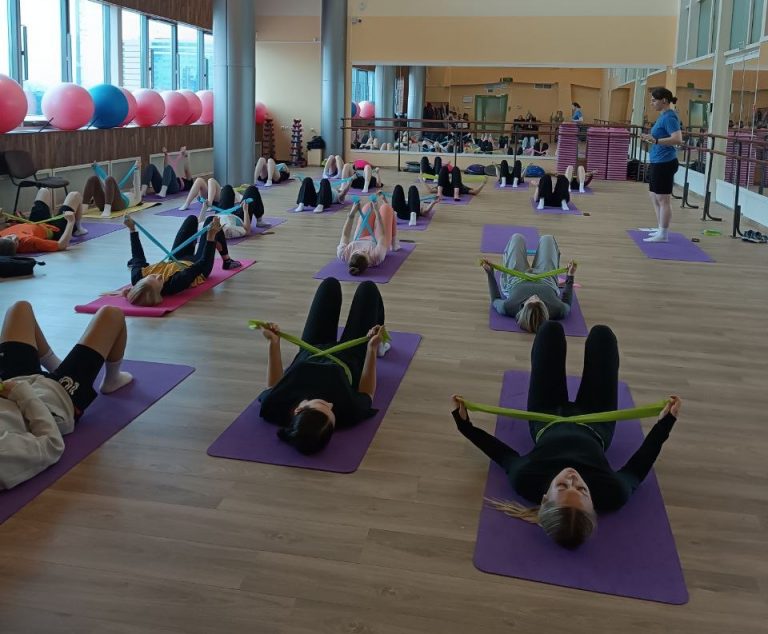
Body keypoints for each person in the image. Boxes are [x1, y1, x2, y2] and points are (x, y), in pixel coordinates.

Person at [451, 320, 681, 549]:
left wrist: (465, 425)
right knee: (602, 335)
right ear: (593, 504)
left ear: (545, 498)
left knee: (550, 330)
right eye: (582, 490)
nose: (572, 478)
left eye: (561, 487)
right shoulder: (612, 493)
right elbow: (637, 468)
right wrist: (666, 422)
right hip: (596, 421)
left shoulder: (526, 480)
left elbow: (502, 455)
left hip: (546, 417)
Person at [0, 300, 133, 490]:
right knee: (112, 314)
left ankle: (57, 367)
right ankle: (112, 380)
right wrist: (21, 393)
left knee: (20, 308)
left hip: (12, 384)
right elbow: (51, 445)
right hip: (54, 398)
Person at [257, 277, 388, 454]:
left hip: (312, 348)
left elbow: (273, 386)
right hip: (351, 355)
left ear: (298, 409)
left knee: (329, 285)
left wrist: (273, 342)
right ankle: (381, 345)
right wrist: (371, 349)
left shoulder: (274, 407)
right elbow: (367, 392)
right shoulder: (351, 412)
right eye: (333, 414)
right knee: (368, 289)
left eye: (323, 405)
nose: (331, 404)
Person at [120, 215, 241, 306]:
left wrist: (132, 229)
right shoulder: (174, 284)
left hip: (175, 260)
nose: (159, 276)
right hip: (198, 265)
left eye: (152, 277)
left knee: (191, 219)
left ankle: (205, 241)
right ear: (160, 292)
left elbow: (137, 256)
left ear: (142, 280)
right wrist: (211, 237)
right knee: (211, 222)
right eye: (160, 281)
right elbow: (202, 263)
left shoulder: (137, 276)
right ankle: (227, 261)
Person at [481, 234, 577, 333]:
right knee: (547, 239)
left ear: (523, 308)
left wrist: (489, 272)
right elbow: (567, 302)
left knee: (517, 238)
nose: (534, 295)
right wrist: (570, 275)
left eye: (530, 299)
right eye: (539, 300)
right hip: (546, 280)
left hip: (515, 279)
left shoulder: (508, 307)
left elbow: (495, 299)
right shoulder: (558, 310)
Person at [639, 88, 683, 242]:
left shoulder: (670, 117)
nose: (651, 103)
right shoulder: (662, 116)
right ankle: (660, 228)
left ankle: (663, 234)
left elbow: (677, 139)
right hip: (657, 161)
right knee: (654, 196)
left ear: (664, 100)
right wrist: (650, 137)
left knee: (663, 199)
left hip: (665, 162)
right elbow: (659, 136)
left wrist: (656, 141)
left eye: (654, 100)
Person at [0, 188, 85, 254]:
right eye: (16, 242)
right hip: (54, 230)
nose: (15, 237)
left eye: (9, 237)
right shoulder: (28, 241)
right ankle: (78, 228)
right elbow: (61, 245)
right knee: (75, 195)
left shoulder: (1, 236)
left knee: (43, 191)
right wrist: (71, 221)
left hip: (34, 222)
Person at [336, 193, 400, 275]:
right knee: (386, 208)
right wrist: (377, 212)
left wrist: (352, 214)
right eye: (364, 252)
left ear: (350, 257)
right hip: (378, 241)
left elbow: (345, 235)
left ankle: (377, 209)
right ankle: (394, 241)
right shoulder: (377, 256)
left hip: (361, 237)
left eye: (358, 251)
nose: (363, 249)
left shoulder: (343, 254)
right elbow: (382, 235)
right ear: (368, 261)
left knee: (368, 206)